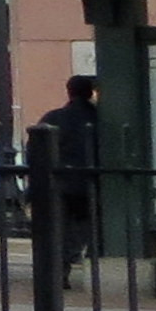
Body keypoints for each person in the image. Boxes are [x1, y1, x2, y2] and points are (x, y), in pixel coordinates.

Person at [26, 76, 102, 262]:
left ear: (69, 92)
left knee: (61, 230)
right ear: (91, 92)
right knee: (90, 226)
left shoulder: (54, 117)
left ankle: (61, 269)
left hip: (60, 182)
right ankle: (88, 259)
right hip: (91, 183)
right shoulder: (99, 118)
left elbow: (35, 150)